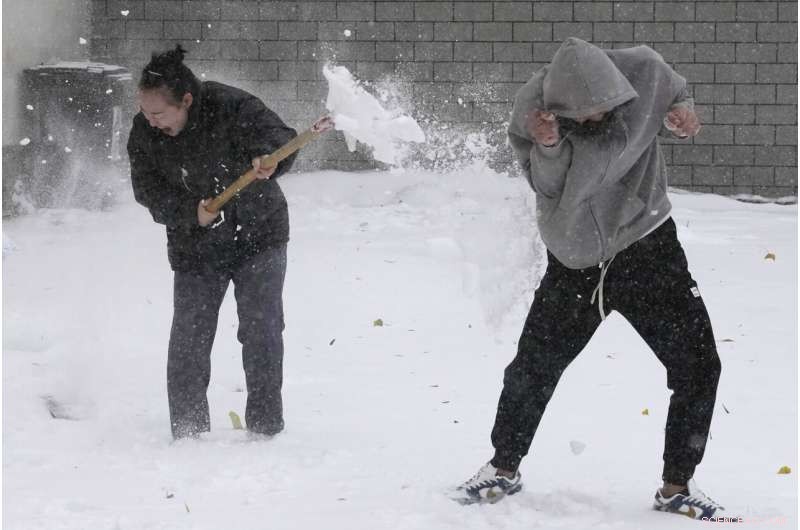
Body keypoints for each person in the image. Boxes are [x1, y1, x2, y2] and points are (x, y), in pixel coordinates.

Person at [456, 38, 729, 520]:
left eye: (598, 111)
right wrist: (547, 145)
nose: (587, 122)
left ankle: (676, 486)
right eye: (575, 118)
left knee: (699, 363)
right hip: (577, 259)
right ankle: (503, 468)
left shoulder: (645, 69)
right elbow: (546, 189)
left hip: (649, 247)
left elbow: (676, 90)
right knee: (533, 367)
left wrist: (683, 111)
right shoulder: (533, 109)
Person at [128, 45, 298, 440]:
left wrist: (269, 159)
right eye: (146, 113)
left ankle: (265, 428)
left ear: (186, 100)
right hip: (196, 244)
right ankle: (188, 432)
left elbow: (279, 138)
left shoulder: (229, 105)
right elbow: (147, 189)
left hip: (260, 234)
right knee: (190, 335)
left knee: (262, 329)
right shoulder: (145, 131)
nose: (151, 121)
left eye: (159, 113)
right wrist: (192, 212)